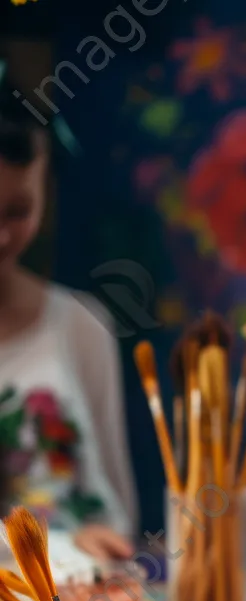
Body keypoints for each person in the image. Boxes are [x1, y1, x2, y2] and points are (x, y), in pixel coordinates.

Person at [0, 89, 136, 560]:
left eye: (18, 211)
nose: (1, 235)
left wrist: (99, 549)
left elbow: (115, 515)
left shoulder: (80, 326)